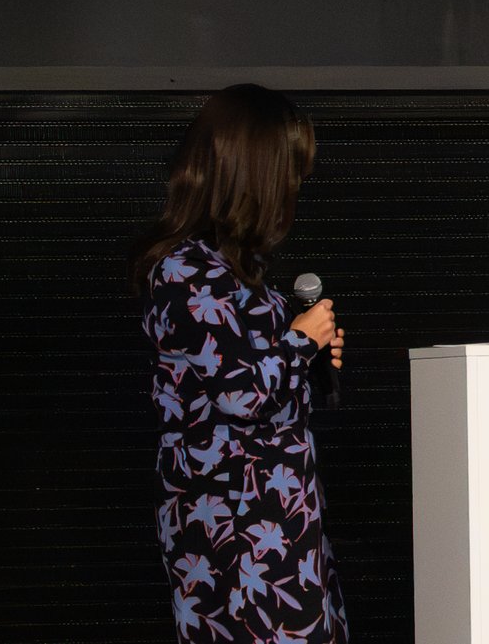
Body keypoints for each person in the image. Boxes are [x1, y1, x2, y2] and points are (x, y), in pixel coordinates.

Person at [133, 84, 348, 643]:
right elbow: (239, 395)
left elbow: (266, 393)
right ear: (254, 175)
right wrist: (300, 344)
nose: (293, 190)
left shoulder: (238, 274)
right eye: (288, 174)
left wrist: (314, 360)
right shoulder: (184, 273)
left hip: (277, 517)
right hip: (231, 522)